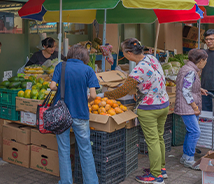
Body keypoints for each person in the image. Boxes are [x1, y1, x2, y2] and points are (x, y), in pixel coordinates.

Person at [104, 38, 169, 184]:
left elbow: (124, 90)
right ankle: (161, 169)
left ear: (128, 53)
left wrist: (105, 94)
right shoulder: (151, 58)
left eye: (123, 52)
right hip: (163, 104)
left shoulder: (139, 69)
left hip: (149, 108)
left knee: (152, 141)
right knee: (159, 138)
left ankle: (156, 176)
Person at [49, 44, 99, 184]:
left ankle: (66, 181)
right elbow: (94, 95)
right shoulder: (88, 69)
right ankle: (91, 182)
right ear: (85, 57)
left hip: (61, 114)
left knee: (63, 149)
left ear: (70, 54)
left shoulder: (61, 66)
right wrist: (85, 99)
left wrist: (61, 90)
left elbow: (52, 86)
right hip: (81, 113)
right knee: (85, 149)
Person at [174, 49, 209, 170]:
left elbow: (186, 85)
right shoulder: (191, 71)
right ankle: (189, 158)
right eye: (205, 61)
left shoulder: (187, 68)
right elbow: (185, 90)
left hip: (186, 105)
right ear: (200, 61)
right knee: (195, 131)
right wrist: (195, 106)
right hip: (187, 106)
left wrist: (199, 89)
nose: (205, 63)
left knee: (191, 131)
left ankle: (185, 156)